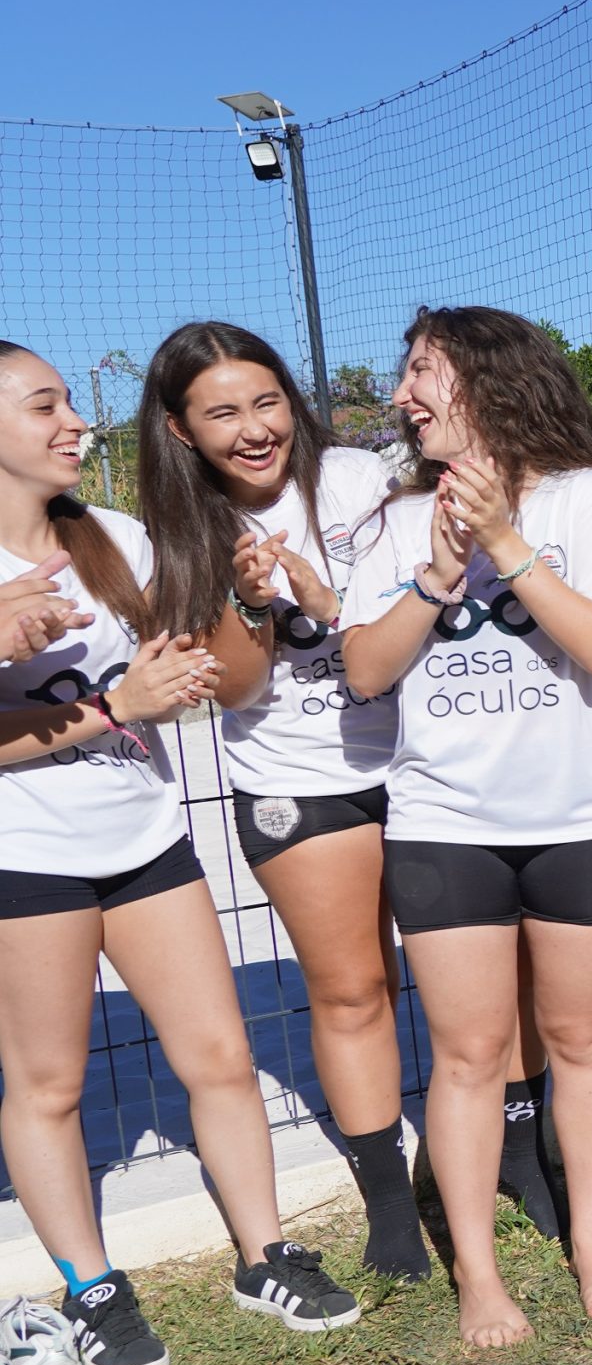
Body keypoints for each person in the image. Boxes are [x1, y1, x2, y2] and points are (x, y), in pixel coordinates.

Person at [0, 341, 360, 1365]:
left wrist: (247, 608)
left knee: (220, 1057)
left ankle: (267, 1254)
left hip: (147, 839)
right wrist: (111, 705)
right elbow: (113, 704)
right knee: (48, 1087)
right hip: (27, 857)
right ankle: (92, 1286)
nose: (76, 424)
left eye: (71, 404)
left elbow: (222, 677)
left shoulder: (114, 540)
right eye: (45, 407)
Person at [341, 306, 592, 1348]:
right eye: (404, 377)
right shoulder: (391, 522)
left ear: (486, 381)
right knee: (470, 1055)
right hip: (444, 827)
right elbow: (366, 673)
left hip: (577, 822)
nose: (401, 397)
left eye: (421, 373)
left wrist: (507, 543)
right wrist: (436, 574)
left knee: (579, 1038)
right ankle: (478, 1275)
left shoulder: (585, 497)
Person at [132, 321, 434, 1282]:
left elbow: (430, 591)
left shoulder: (355, 479)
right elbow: (235, 690)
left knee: (470, 972)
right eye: (222, 412)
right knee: (353, 989)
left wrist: (325, 592)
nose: (255, 428)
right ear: (181, 431)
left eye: (266, 401)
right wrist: (256, 603)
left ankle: (513, 1152)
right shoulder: (180, 535)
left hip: (430, 761)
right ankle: (392, 1201)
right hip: (299, 783)